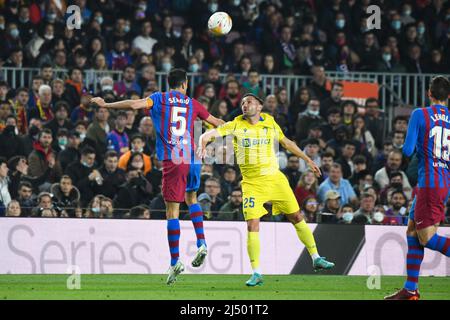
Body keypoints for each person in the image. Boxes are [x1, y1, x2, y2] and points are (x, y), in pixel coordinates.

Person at [91, 68, 224, 285]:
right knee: (191, 199)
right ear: (185, 84)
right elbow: (216, 122)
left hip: (174, 159)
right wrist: (240, 129)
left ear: (169, 83)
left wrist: (106, 104)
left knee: (172, 211)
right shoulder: (192, 103)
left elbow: (133, 104)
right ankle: (202, 242)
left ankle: (175, 262)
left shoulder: (159, 98)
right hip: (193, 158)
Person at [198, 93, 334, 287]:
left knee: (296, 216)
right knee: (253, 225)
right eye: (243, 102)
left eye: (250, 102)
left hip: (275, 179)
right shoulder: (235, 125)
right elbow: (209, 134)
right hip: (252, 184)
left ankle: (316, 257)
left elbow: (286, 142)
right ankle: (256, 272)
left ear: (260, 106)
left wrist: (308, 159)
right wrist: (202, 142)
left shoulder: (270, 122)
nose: (245, 105)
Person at [385, 76, 450, 300]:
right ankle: (410, 289)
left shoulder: (419, 114)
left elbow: (407, 150)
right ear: (448, 96)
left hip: (429, 183)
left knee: (427, 238)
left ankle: (411, 290)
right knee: (412, 231)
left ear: (429, 94)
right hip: (443, 183)